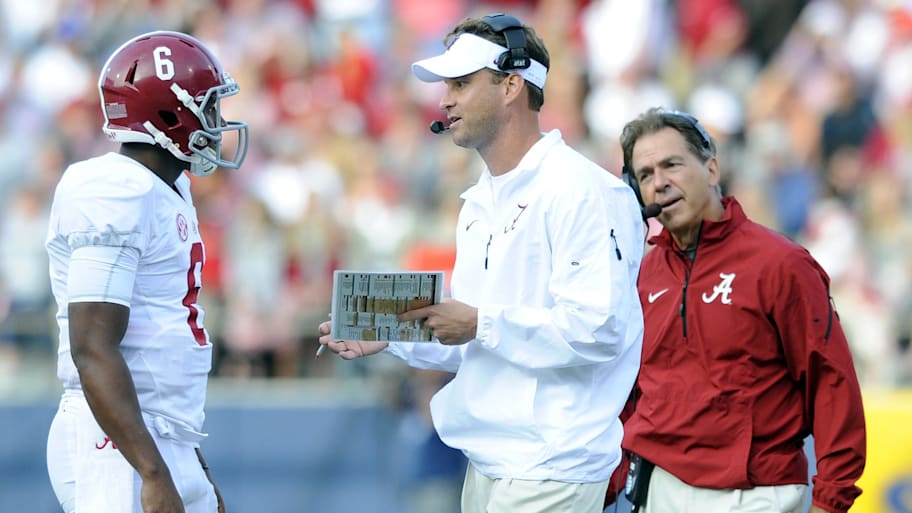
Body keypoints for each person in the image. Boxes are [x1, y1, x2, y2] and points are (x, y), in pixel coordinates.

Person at [318, 13, 645, 513]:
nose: (445, 98)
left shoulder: (583, 191)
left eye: (462, 83)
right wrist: (392, 335)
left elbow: (599, 329)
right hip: (492, 464)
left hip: (551, 465)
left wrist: (479, 321)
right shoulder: (480, 201)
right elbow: (477, 341)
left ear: (513, 85)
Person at [610, 107, 866, 513]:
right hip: (657, 491)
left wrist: (831, 500)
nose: (659, 183)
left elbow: (831, 383)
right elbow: (629, 393)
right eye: (644, 174)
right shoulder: (641, 275)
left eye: (671, 165)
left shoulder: (780, 264)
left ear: (712, 170)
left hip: (754, 495)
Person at [45, 31, 248, 513]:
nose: (218, 123)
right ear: (168, 111)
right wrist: (152, 472)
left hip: (159, 434)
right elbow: (92, 347)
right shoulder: (115, 189)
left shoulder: (167, 189)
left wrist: (190, 464)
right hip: (113, 445)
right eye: (208, 107)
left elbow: (160, 347)